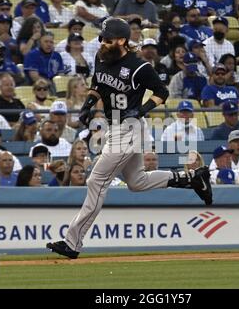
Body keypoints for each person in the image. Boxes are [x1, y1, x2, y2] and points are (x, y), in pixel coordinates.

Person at [46, 17, 213, 259]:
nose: (102, 42)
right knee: (137, 181)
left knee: (95, 181)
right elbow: (97, 84)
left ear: (122, 40)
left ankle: (72, 243)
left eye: (108, 39)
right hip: (116, 127)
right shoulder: (102, 57)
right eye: (102, 38)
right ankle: (192, 179)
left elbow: (162, 92)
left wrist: (143, 110)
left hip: (131, 127)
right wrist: (87, 105)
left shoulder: (139, 66)